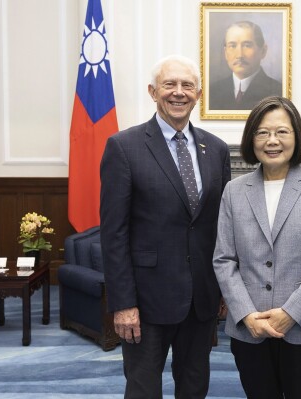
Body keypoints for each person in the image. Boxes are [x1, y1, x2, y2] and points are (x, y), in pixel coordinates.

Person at [100, 54, 231, 398]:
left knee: (194, 386)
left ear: (198, 94)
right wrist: (123, 303)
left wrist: (223, 289)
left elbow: (221, 226)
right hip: (145, 301)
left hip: (201, 300)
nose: (178, 92)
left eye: (187, 85)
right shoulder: (124, 147)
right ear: (153, 92)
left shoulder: (216, 149)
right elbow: (113, 234)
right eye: (169, 84)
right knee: (143, 389)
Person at [212, 96, 301, 399]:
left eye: (282, 132)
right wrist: (245, 314)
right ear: (251, 139)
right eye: (262, 132)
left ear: (296, 136)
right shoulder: (233, 191)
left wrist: (291, 312)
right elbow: (223, 260)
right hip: (251, 329)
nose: (272, 141)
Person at [209, 21, 283, 110]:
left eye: (247, 45)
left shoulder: (277, 92)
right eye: (232, 46)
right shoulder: (212, 91)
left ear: (263, 51)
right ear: (225, 52)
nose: (239, 55)